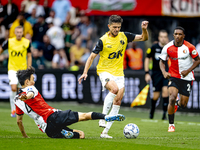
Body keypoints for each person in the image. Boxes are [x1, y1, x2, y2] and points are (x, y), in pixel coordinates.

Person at [78, 15, 148, 138]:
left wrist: (144, 29)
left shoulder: (124, 36)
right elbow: (91, 57)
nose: (116, 29)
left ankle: (105, 132)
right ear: (109, 26)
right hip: (104, 71)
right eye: (114, 27)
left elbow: (143, 38)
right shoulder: (103, 40)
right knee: (114, 90)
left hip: (119, 73)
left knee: (118, 100)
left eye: (118, 27)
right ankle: (102, 118)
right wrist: (85, 72)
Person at [15, 67, 125, 139]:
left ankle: (64, 132)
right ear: (27, 82)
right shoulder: (31, 88)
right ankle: (106, 117)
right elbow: (30, 93)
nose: (34, 81)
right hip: (53, 116)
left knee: (80, 135)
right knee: (84, 116)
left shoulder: (17, 100)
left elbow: (19, 121)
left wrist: (25, 136)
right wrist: (27, 97)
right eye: (32, 79)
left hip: (48, 130)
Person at [159, 26, 200, 132]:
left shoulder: (190, 47)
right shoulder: (167, 47)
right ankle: (171, 125)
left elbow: (197, 60)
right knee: (171, 97)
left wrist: (188, 70)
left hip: (187, 77)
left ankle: (177, 103)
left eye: (180, 34)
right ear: (173, 35)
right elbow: (162, 61)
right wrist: (164, 72)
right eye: (176, 34)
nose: (177, 36)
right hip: (173, 76)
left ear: (183, 36)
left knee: (183, 105)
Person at [0, 25, 32, 117]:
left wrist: (29, 68)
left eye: (20, 32)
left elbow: (29, 55)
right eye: (17, 32)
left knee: (19, 90)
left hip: (22, 70)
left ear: (22, 33)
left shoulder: (26, 42)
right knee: (13, 88)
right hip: (12, 69)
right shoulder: (9, 41)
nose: (19, 34)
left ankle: (19, 109)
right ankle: (13, 110)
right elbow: (1, 50)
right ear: (15, 33)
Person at [144, 30, 169, 120]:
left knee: (166, 92)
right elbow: (147, 59)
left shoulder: (169, 48)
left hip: (166, 73)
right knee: (155, 96)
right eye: (161, 36)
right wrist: (147, 73)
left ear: (167, 38)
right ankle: (152, 112)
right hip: (156, 74)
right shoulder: (154, 47)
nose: (163, 38)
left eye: (165, 37)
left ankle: (164, 115)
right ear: (159, 38)